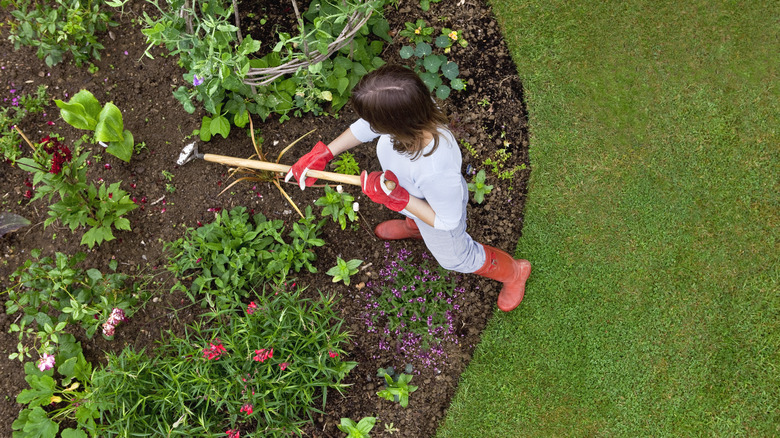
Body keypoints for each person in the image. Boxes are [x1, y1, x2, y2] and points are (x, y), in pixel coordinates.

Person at [285, 65, 531, 311]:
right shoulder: (414, 107)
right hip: (415, 195)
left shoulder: (435, 169)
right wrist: (326, 152)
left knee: (457, 259)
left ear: (394, 124)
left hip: (438, 214)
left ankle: (514, 273)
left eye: (374, 121)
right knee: (415, 212)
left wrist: (399, 199)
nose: (369, 125)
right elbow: (366, 127)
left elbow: (447, 221)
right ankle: (415, 227)